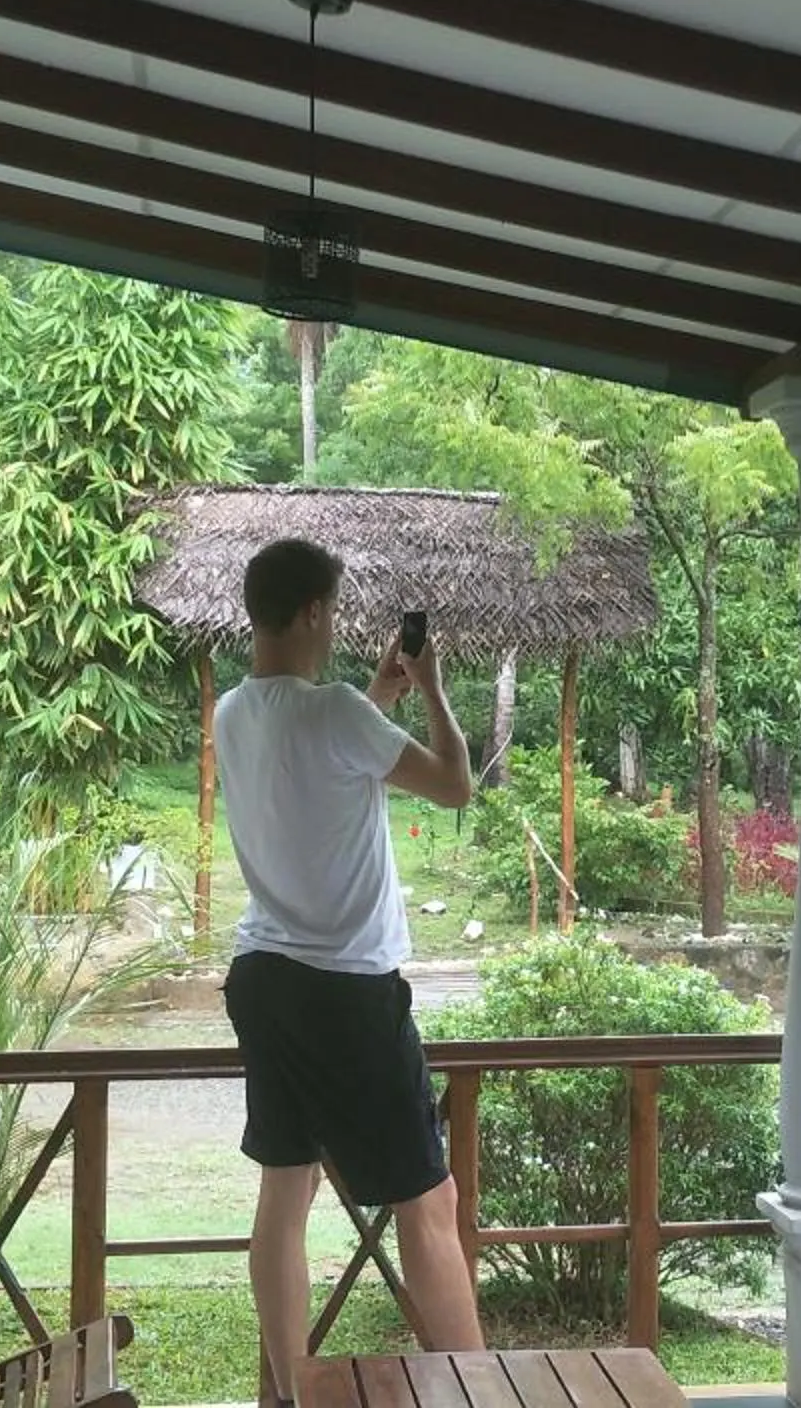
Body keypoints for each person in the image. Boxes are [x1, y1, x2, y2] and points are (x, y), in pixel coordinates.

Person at [216, 539, 485, 1395]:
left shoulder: (233, 712)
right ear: (311, 613)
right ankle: (478, 1390)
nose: (333, 623)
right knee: (427, 1202)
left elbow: (319, 767)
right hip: (346, 990)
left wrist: (377, 697)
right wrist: (432, 690)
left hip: (263, 979)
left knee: (285, 1189)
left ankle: (290, 1390)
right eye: (329, 608)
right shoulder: (334, 711)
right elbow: (453, 785)